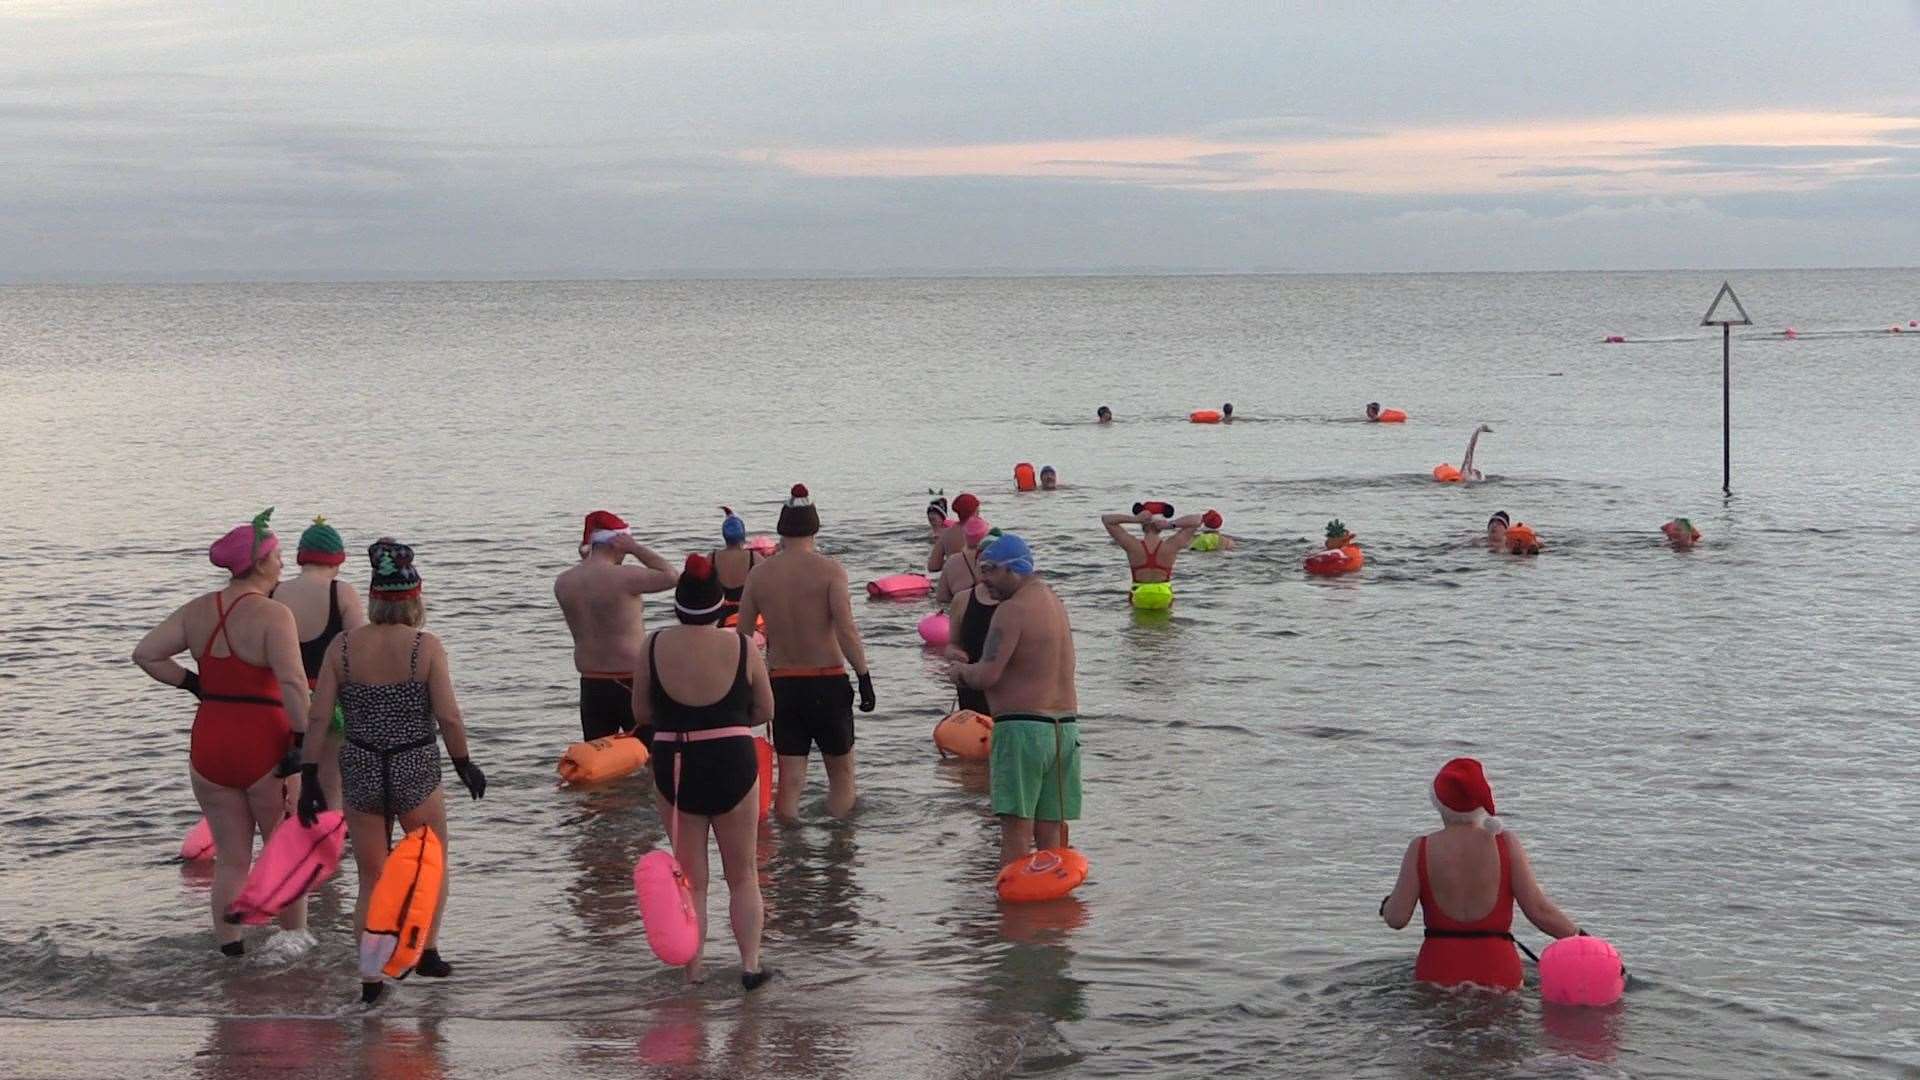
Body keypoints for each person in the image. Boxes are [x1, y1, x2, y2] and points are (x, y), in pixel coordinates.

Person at [297, 538, 486, 1006]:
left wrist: (307, 776)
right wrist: (464, 765)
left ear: (374, 598)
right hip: (414, 764)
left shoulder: (342, 647)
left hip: (361, 766)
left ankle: (370, 978)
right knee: (431, 862)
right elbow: (449, 716)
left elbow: (318, 718)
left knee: (371, 877)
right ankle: (428, 951)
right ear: (415, 597)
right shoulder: (426, 647)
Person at [134, 509, 314, 957]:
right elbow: (293, 684)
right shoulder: (275, 616)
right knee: (283, 852)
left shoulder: (198, 610)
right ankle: (292, 948)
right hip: (265, 743)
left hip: (210, 745)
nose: (282, 564)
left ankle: (230, 951)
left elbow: (146, 654)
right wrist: (302, 741)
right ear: (258, 564)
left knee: (232, 858)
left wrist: (194, 683)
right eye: (275, 556)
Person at [630, 555, 775, 990]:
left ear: (678, 605)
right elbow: (766, 709)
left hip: (676, 764)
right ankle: (750, 967)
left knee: (690, 878)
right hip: (732, 759)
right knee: (743, 874)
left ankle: (693, 972)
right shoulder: (742, 646)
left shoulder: (652, 646)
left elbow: (640, 712)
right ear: (719, 607)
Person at [736, 485, 875, 820]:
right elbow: (845, 629)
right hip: (827, 681)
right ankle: (839, 856)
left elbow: (741, 636)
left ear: (782, 529)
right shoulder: (831, 571)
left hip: (782, 685)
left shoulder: (759, 574)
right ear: (815, 528)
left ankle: (792, 859)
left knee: (791, 780)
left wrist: (746, 686)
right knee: (841, 776)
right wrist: (864, 676)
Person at [1379, 758, 1581, 990]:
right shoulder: (1505, 844)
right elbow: (1540, 911)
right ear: (1481, 804)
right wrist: (1583, 939)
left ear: (1437, 802)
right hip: (1499, 974)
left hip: (1437, 973)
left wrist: (1387, 905)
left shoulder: (1420, 848)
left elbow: (1397, 919)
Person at [944, 534, 1080, 867]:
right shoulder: (1054, 602)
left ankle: (1009, 914)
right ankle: (1047, 912)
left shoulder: (1011, 610)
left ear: (1014, 569)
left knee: (1016, 832)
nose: (984, 579)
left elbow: (988, 675)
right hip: (1064, 730)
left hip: (1022, 731)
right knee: (1051, 830)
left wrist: (960, 672)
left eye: (990, 569)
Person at [268, 516, 367, 815]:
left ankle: (287, 839)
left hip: (280, 700)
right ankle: (331, 847)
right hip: (328, 704)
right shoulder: (342, 593)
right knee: (330, 783)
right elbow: (359, 650)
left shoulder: (274, 592)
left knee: (287, 781)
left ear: (301, 559)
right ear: (337, 560)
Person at [555, 510, 678, 745]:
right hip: (630, 680)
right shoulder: (624, 577)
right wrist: (637, 548)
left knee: (601, 763)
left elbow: (591, 581)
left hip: (591, 683)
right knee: (649, 757)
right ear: (618, 543)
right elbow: (672, 576)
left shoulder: (564, 582)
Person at [1101, 501, 1205, 608]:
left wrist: (1135, 519)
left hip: (1140, 595)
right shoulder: (1171, 545)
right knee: (1163, 623)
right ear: (1161, 524)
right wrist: (1171, 524)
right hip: (1164, 595)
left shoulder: (1132, 545)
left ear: (1142, 523)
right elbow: (1198, 519)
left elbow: (1106, 519)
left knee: (1139, 623)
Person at [713, 507, 760, 628]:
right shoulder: (754, 557)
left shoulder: (712, 558)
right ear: (743, 534)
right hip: (747, 616)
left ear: (724, 535)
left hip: (720, 618)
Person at [935, 514, 992, 606]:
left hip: (962, 610)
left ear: (965, 536)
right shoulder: (996, 558)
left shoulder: (952, 562)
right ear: (986, 536)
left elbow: (942, 598)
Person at [927, 492, 980, 573]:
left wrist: (949, 562)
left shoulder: (946, 534)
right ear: (975, 510)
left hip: (955, 576)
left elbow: (933, 567)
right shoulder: (984, 531)